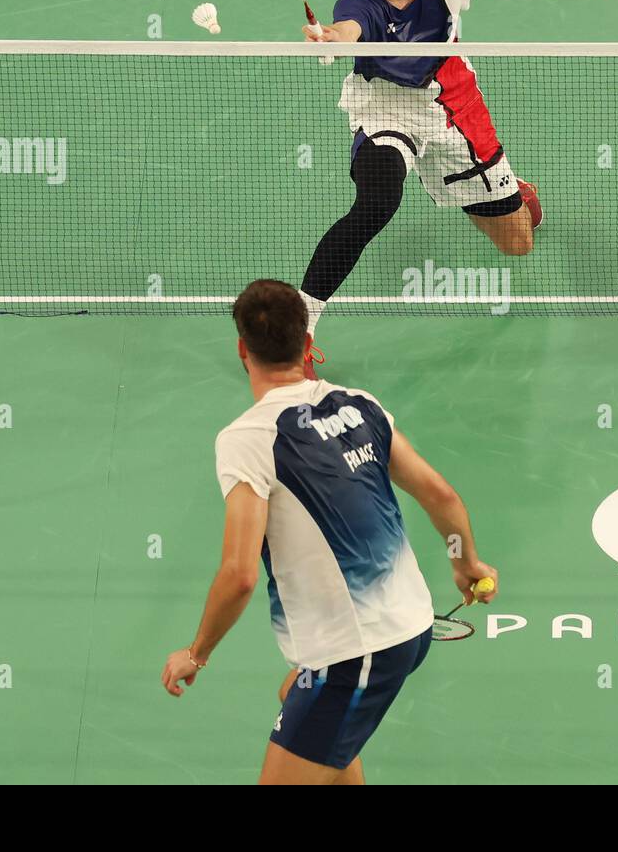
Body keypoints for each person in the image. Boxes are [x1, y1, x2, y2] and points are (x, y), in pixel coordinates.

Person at [161, 279, 498, 784]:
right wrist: (466, 562)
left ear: (241, 350)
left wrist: (196, 654)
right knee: (297, 696)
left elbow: (239, 575)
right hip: (405, 625)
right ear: (306, 343)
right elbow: (440, 495)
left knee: (316, 714)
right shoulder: (359, 404)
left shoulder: (249, 439)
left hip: (356, 652)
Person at [297, 0, 618, 377]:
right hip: (387, 106)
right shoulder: (358, 1)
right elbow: (350, 30)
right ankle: (300, 327)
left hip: (451, 98)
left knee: (518, 242)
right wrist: (330, 36)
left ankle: (512, 193)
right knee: (376, 199)